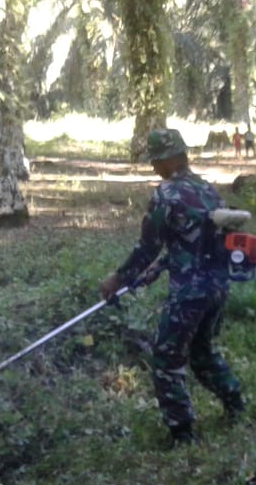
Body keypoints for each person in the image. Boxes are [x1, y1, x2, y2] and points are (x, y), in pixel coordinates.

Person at [100, 129, 245, 446]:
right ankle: (235, 403)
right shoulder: (207, 191)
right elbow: (190, 243)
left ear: (168, 159)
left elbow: (147, 248)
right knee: (202, 352)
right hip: (218, 287)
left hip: (189, 294)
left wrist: (118, 277)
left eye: (155, 160)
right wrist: (156, 271)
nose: (153, 167)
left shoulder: (166, 196)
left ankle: (183, 434)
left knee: (166, 358)